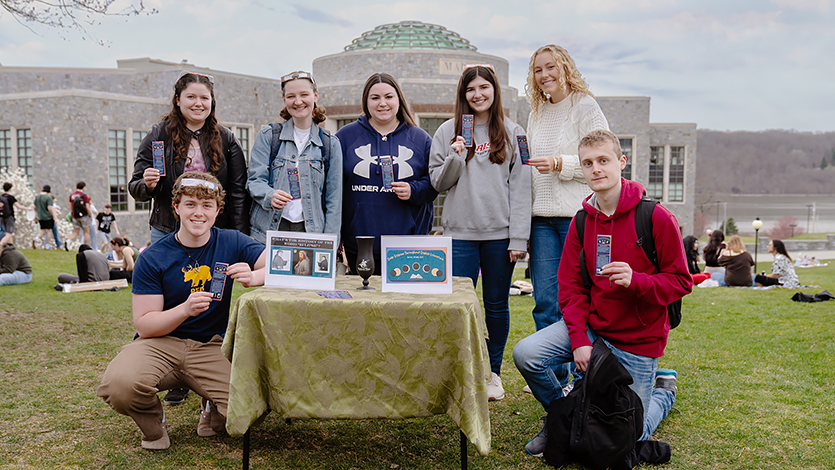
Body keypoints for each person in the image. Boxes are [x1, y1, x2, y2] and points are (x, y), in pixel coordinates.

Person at [513, 129, 692, 456]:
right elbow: (569, 287)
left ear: (621, 162)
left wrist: (637, 280)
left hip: (638, 340)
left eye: (603, 161)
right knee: (527, 353)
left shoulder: (655, 217)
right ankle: (563, 417)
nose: (596, 169)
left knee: (627, 437)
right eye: (588, 163)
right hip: (596, 330)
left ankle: (663, 390)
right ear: (581, 169)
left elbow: (681, 281)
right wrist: (580, 339)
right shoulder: (582, 221)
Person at [97, 172, 266, 451]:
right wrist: (184, 310)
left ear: (217, 211)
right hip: (159, 344)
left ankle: (212, 407)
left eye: (206, 205)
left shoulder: (233, 241)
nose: (198, 213)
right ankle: (154, 425)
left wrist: (257, 276)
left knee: (253, 411)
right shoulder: (153, 256)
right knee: (120, 385)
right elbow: (146, 324)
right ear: (175, 208)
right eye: (190, 204)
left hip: (209, 345)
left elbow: (291, 265)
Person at [429, 64, 532, 401]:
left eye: (483, 88)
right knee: (458, 307)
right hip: (459, 236)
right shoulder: (447, 132)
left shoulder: (514, 132)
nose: (478, 95)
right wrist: (457, 156)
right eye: (471, 89)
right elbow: (438, 184)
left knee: (496, 306)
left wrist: (518, 238)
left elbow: (521, 188)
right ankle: (457, 371)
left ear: (494, 91)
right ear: (463, 95)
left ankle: (493, 374)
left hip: (499, 237)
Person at [525, 44, 609, 335]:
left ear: (565, 68)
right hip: (540, 221)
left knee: (581, 297)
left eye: (551, 67)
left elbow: (603, 161)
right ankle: (552, 377)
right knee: (545, 300)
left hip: (578, 218)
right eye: (538, 69)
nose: (544, 74)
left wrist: (560, 163)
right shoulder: (536, 113)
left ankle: (583, 374)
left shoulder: (585, 106)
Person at [130, 71, 250, 245]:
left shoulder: (227, 139)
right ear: (178, 100)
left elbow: (238, 194)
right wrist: (147, 185)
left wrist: (241, 239)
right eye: (191, 97)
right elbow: (135, 188)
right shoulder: (159, 135)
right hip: (167, 229)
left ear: (212, 102)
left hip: (214, 230)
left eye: (204, 98)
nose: (198, 104)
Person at [336, 73, 437, 273]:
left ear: (399, 99)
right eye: (375, 98)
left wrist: (413, 190)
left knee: (403, 303)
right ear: (366, 102)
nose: (383, 103)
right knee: (362, 303)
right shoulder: (345, 137)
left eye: (389, 97)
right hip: (360, 244)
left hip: (406, 244)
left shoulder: (420, 139)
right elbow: (332, 190)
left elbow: (435, 183)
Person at [247, 71, 342, 244]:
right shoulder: (268, 136)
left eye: (304, 95)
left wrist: (330, 243)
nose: (298, 102)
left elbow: (334, 202)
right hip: (268, 231)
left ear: (315, 96)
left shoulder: (330, 144)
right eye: (291, 96)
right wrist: (270, 195)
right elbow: (254, 181)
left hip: (311, 233)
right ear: (284, 100)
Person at [0, 182, 35, 246]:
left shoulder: (1, 197)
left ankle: (10, 247)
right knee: (9, 233)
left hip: (2, 217)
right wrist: (28, 208)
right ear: (10, 189)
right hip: (9, 217)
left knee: (7, 233)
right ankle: (1, 244)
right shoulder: (10, 197)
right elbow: (19, 206)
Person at [34, 185, 64, 250]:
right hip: (47, 217)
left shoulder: (37, 197)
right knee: (49, 231)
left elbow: (34, 207)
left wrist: (36, 215)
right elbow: (49, 208)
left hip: (40, 217)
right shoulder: (48, 197)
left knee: (43, 230)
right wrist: (54, 216)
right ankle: (47, 246)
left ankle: (36, 238)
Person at [67, 181, 93, 247]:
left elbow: (71, 207)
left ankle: (68, 241)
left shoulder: (72, 195)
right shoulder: (84, 196)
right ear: (83, 187)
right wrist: (91, 216)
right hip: (84, 216)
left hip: (75, 216)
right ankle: (85, 246)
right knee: (86, 232)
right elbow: (87, 207)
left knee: (75, 231)